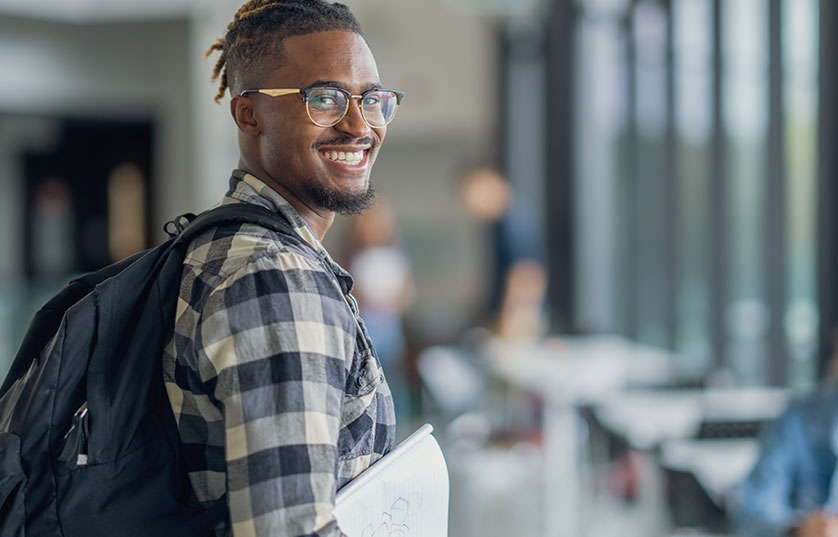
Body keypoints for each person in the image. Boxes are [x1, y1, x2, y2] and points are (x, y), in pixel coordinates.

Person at [161, 2, 401, 535]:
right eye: (324, 99)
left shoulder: (224, 243)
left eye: (373, 99)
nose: (360, 125)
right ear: (249, 114)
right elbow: (288, 528)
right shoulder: (275, 276)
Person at [458, 164, 547, 339]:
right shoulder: (500, 223)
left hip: (517, 319)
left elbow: (527, 273)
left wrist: (511, 319)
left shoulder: (516, 220)